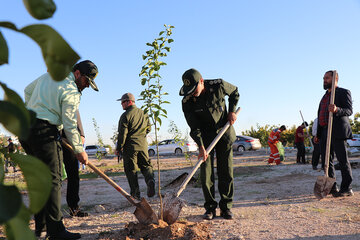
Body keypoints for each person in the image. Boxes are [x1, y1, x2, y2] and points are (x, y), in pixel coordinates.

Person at [21, 60, 99, 239]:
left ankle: (41, 225)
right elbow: (71, 125)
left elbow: (27, 90)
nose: (86, 86)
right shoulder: (71, 90)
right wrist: (80, 150)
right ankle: (55, 231)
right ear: (77, 73)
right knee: (53, 180)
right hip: (44, 132)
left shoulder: (50, 76)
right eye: (86, 81)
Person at [180, 68, 239, 220]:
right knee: (206, 174)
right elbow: (194, 127)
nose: (192, 93)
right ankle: (210, 208)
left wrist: (231, 111)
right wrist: (200, 147)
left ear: (201, 81)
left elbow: (234, 92)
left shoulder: (218, 85)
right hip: (205, 139)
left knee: (225, 171)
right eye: (189, 90)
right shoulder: (187, 101)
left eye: (194, 89)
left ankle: (226, 207)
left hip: (223, 134)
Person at [314, 70, 353, 198]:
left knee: (342, 160)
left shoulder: (343, 92)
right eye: (323, 78)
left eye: (327, 78)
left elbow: (349, 110)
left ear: (335, 79)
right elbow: (320, 116)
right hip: (325, 131)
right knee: (327, 161)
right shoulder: (324, 96)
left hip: (337, 130)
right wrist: (318, 134)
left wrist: (337, 109)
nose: (324, 80)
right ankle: (332, 186)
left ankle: (347, 188)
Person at [115, 93, 155, 200]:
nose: (121, 104)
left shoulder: (125, 116)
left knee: (131, 170)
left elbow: (122, 134)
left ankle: (135, 194)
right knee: (146, 166)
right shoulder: (144, 113)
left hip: (130, 147)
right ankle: (150, 180)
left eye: (123, 102)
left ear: (129, 102)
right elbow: (149, 129)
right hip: (143, 145)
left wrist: (118, 148)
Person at [62, 110, 88, 217]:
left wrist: (81, 134)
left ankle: (74, 208)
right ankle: (51, 214)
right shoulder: (65, 96)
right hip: (57, 138)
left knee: (73, 175)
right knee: (53, 176)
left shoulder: (74, 98)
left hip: (68, 140)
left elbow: (76, 115)